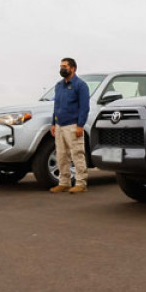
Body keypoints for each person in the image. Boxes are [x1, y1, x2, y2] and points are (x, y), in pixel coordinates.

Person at [49, 57, 90, 194]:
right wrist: (53, 123)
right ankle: (64, 182)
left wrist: (80, 125)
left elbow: (84, 107)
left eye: (65, 66)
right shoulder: (59, 85)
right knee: (61, 155)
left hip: (73, 125)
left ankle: (80, 183)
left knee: (77, 154)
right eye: (61, 66)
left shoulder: (81, 85)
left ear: (73, 68)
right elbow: (56, 105)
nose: (62, 69)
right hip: (59, 126)